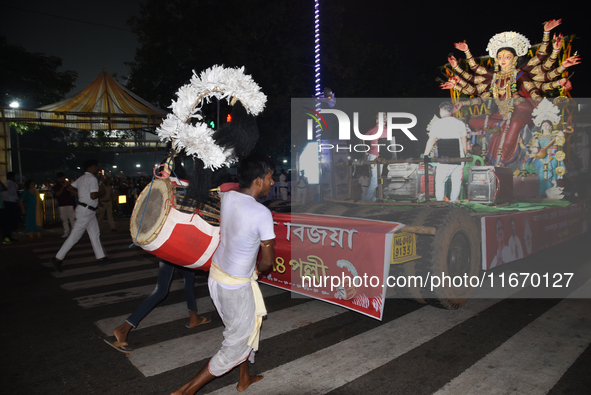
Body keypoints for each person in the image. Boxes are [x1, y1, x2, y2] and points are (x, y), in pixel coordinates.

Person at [172, 154, 276, 395]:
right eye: (270, 179)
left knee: (242, 331)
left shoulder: (227, 197)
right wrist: (258, 271)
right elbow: (268, 262)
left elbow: (226, 186)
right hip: (235, 289)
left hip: (217, 278)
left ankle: (244, 379)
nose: (272, 183)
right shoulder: (262, 214)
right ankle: (186, 391)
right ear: (259, 181)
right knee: (235, 344)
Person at [441, 19, 580, 165]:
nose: (503, 60)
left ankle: (503, 161)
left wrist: (547, 33)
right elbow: (476, 88)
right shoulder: (494, 77)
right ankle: (501, 126)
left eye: (507, 57)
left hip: (521, 111)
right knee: (472, 121)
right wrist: (460, 99)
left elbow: (540, 66)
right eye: (500, 57)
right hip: (501, 115)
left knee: (514, 124)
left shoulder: (519, 74)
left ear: (514, 59)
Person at [104, 260, 211, 353]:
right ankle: (123, 329)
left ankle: (194, 318)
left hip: (170, 245)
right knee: (161, 291)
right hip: (171, 247)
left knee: (188, 276)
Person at [51, 160, 108, 272]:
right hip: (86, 211)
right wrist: (102, 191)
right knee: (74, 237)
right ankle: (57, 258)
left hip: (86, 210)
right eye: (96, 167)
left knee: (95, 234)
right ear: (90, 168)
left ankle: (101, 258)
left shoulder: (82, 178)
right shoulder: (92, 179)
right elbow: (93, 196)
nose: (97, 169)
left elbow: (69, 188)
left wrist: (81, 195)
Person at [424, 102, 468, 202]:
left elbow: (432, 140)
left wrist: (426, 154)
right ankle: (453, 202)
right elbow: (464, 140)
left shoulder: (438, 123)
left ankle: (440, 201)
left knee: (440, 180)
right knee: (456, 181)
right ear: (452, 111)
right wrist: (464, 156)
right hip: (459, 154)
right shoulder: (460, 123)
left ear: (442, 110)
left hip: (445, 154)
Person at [362, 113, 390, 201]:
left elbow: (362, 138)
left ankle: (372, 199)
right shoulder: (386, 130)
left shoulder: (373, 129)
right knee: (375, 181)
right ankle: (366, 200)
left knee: (373, 179)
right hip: (378, 156)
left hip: (371, 155)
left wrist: (365, 151)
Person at [53, 172, 76, 238]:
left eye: (63, 178)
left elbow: (73, 191)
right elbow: (57, 194)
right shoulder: (57, 186)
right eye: (61, 178)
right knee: (64, 219)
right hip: (62, 204)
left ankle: (74, 232)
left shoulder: (68, 185)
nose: (62, 179)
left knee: (72, 218)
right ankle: (66, 232)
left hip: (69, 203)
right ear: (58, 179)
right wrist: (63, 187)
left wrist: (70, 186)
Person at [1, 171, 20, 241]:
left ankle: (8, 236)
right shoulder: (11, 184)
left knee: (7, 221)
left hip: (6, 203)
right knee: (11, 220)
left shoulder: (6, 183)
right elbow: (13, 194)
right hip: (10, 203)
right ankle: (8, 236)